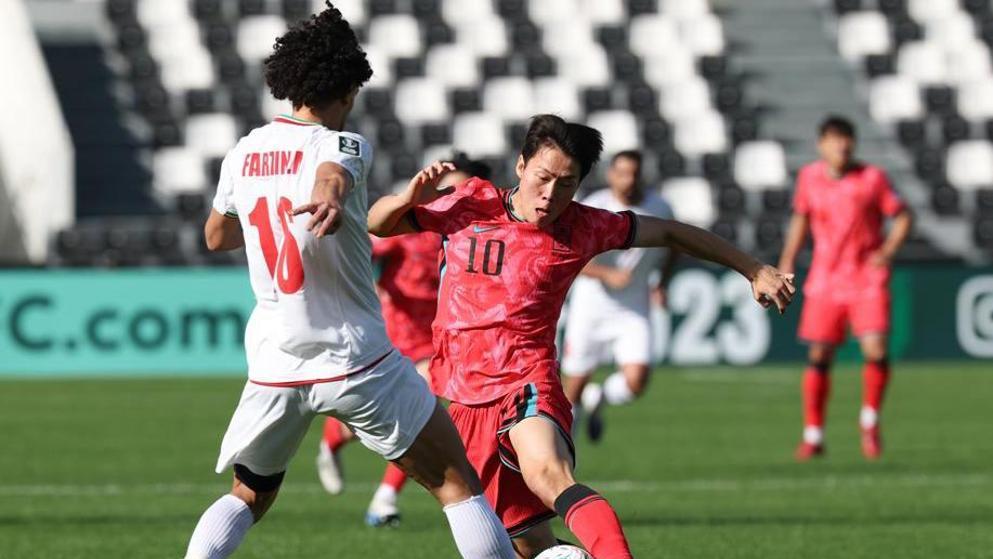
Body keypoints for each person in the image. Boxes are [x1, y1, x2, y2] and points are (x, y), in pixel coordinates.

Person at [367, 114, 796, 558]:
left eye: (567, 184)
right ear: (520, 166)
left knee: (548, 474)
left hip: (525, 383)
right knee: (530, 546)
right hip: (464, 397)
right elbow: (377, 224)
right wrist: (404, 199)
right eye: (544, 177)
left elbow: (669, 232)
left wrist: (754, 268)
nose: (551, 194)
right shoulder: (469, 202)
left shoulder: (584, 226)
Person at [186, 6, 516, 558]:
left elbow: (217, 236)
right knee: (455, 483)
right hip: (353, 357)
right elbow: (332, 175)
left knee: (248, 494)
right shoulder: (343, 143)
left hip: (275, 364)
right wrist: (330, 198)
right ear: (347, 91)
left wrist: (281, 207)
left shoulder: (242, 152)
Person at [317, 155, 492, 527]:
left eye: (463, 189)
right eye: (448, 188)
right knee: (372, 418)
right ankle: (332, 440)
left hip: (438, 337)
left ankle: (385, 499)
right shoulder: (412, 227)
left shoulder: (476, 233)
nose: (453, 195)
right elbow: (362, 251)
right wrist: (373, 287)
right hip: (394, 335)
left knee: (423, 409)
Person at [778, 115, 913, 461]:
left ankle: (870, 421)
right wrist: (787, 260)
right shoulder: (809, 178)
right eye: (835, 139)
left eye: (847, 139)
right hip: (826, 278)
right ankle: (813, 434)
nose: (842, 145)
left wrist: (887, 251)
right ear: (821, 144)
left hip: (866, 278)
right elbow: (800, 219)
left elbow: (902, 214)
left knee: (876, 349)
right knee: (819, 355)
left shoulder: (872, 178)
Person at [560, 150, 678, 443]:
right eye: (622, 173)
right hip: (591, 305)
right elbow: (570, 255)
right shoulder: (593, 207)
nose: (629, 180)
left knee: (637, 381)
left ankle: (600, 396)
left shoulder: (660, 208)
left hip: (633, 305)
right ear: (610, 175)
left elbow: (676, 245)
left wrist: (662, 282)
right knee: (571, 390)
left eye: (635, 173)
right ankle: (566, 460)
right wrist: (605, 274)